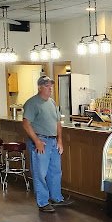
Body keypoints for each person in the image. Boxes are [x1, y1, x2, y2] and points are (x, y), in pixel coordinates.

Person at [22, 76, 73, 213]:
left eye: (51, 86)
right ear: (39, 87)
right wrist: (37, 141)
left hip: (53, 141)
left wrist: (59, 140)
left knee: (55, 171)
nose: (50, 88)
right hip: (41, 141)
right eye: (46, 86)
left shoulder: (52, 102)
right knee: (40, 173)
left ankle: (56, 198)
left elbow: (58, 122)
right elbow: (26, 123)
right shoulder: (32, 103)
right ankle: (43, 202)